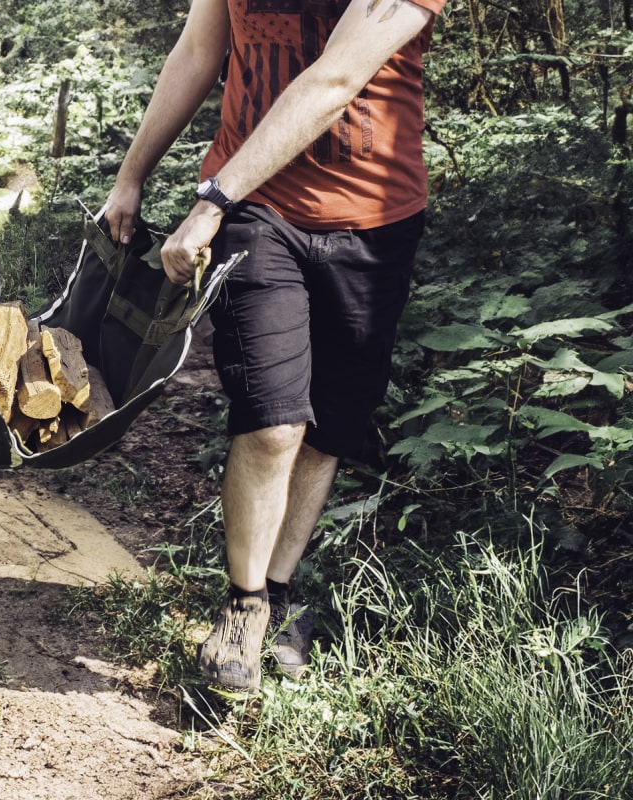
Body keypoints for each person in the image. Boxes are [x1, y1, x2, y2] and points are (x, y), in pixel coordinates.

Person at [105, 0, 445, 691]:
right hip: (258, 212)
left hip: (376, 222)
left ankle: (281, 589)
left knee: (329, 428)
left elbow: (334, 80)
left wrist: (209, 201)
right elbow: (200, 52)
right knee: (273, 421)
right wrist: (134, 174)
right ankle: (245, 603)